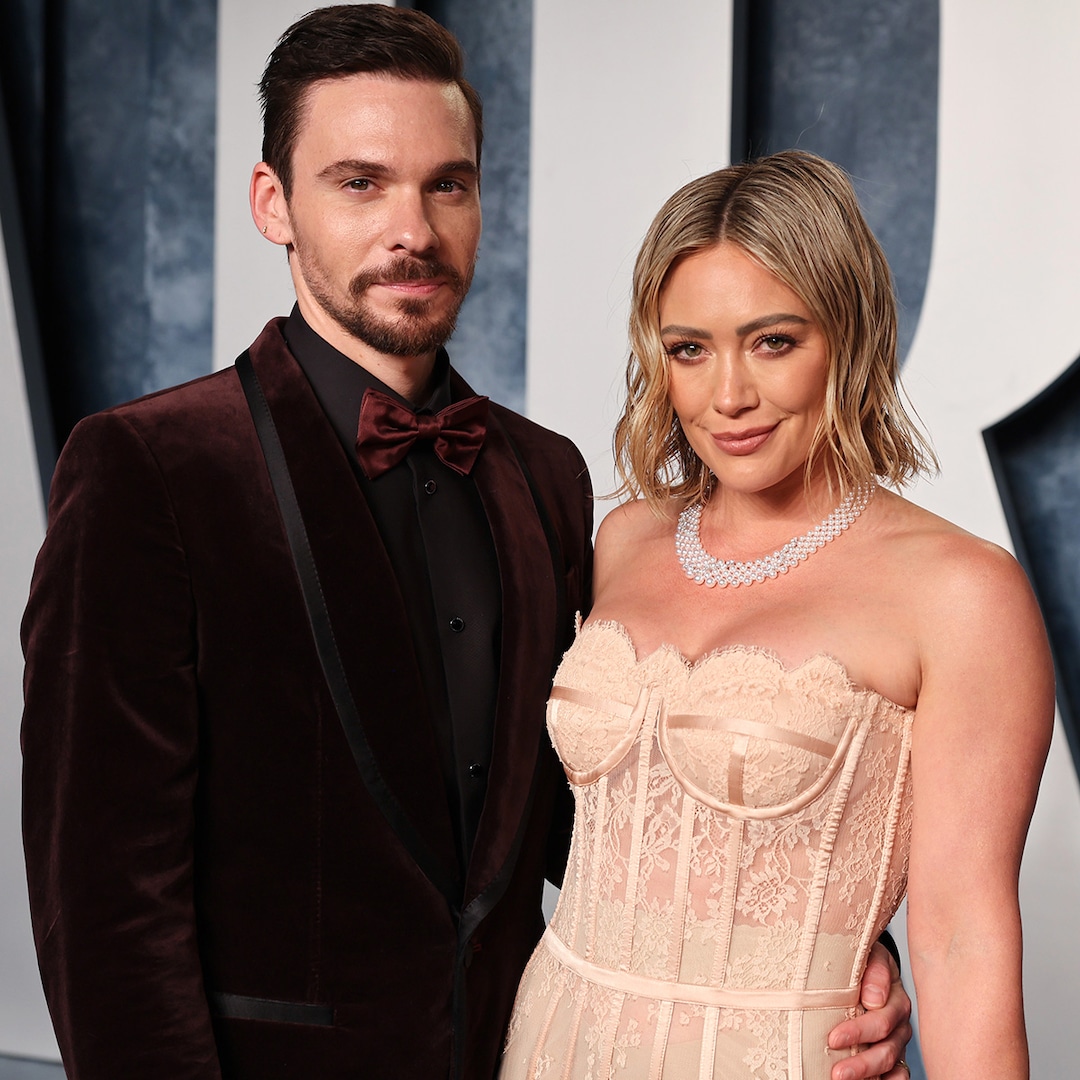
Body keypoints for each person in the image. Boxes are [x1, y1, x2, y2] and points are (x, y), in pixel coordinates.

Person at [21, 6, 910, 1078]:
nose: (414, 229)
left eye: (447, 184)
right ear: (273, 203)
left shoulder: (545, 476)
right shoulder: (148, 468)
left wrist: (830, 948)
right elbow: (104, 893)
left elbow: (603, 807)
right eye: (360, 183)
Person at [500, 151, 1053, 1080]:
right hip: (550, 1041)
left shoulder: (959, 591)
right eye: (690, 349)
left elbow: (963, 938)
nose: (729, 397)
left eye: (773, 342)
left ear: (849, 336)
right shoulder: (625, 539)